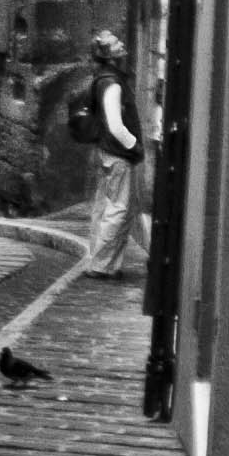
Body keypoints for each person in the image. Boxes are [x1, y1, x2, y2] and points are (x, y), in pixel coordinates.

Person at [83, 28, 147, 279]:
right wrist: (135, 146)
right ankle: (101, 265)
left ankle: (106, 263)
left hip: (108, 152)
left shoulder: (104, 79)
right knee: (118, 210)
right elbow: (116, 125)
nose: (121, 46)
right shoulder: (112, 84)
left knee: (105, 208)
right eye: (115, 45)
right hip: (118, 154)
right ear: (109, 56)